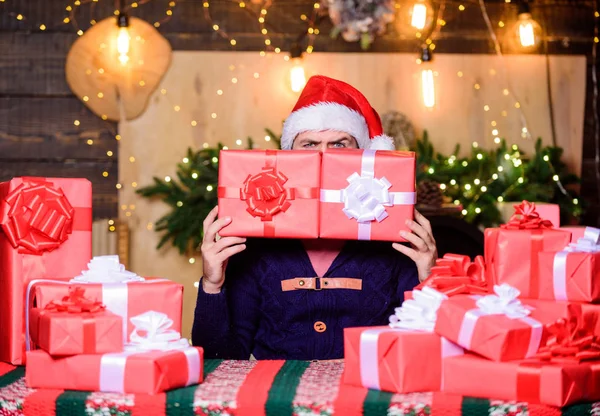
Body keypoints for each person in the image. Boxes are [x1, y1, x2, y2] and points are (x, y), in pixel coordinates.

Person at [192, 75, 437, 360]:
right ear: (289, 155)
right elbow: (219, 357)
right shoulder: (256, 241)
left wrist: (429, 279)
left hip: (365, 391)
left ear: (364, 155)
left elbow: (425, 354)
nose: (323, 156)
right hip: (277, 395)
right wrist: (212, 284)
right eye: (309, 144)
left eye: (339, 144)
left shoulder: (393, 239)